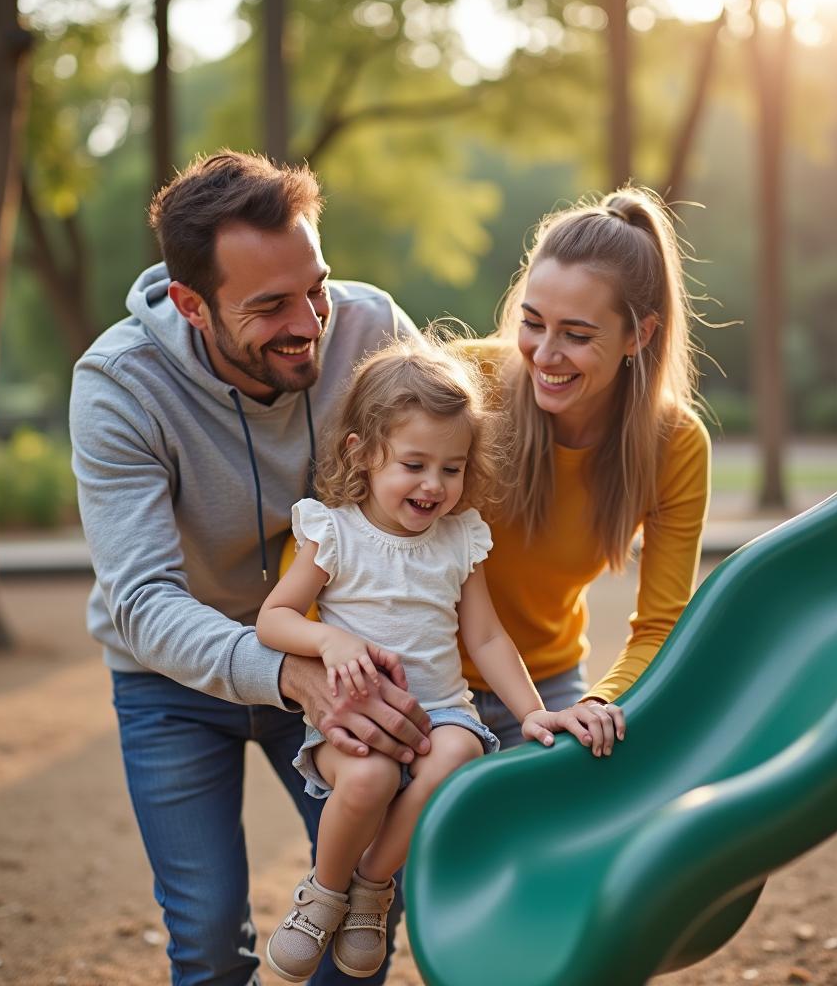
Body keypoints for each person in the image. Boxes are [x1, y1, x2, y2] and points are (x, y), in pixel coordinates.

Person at [69, 151, 435, 986]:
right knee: (205, 938)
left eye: (316, 286)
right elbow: (142, 600)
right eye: (269, 306)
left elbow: (453, 467)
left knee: (364, 900)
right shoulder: (119, 384)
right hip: (171, 685)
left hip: (330, 658)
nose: (309, 321)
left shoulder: (371, 328)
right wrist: (285, 671)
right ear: (192, 304)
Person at [255, 339, 623, 982]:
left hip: (441, 715)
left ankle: (372, 889)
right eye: (415, 464)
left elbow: (485, 639)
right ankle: (323, 893)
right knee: (366, 782)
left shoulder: (460, 537)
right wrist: (329, 641)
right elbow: (273, 619)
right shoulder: (333, 532)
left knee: (462, 752)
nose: (434, 485)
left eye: (451, 469)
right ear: (362, 454)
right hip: (355, 720)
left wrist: (535, 714)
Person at [462, 187, 711, 745]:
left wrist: (599, 704)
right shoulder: (464, 386)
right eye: (532, 322)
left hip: (547, 684)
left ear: (638, 335)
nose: (545, 354)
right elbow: (347, 519)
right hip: (425, 677)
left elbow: (661, 626)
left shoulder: (674, 445)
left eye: (575, 335)